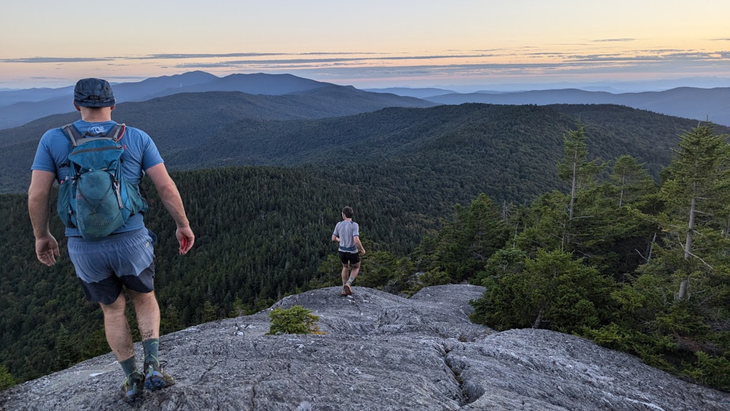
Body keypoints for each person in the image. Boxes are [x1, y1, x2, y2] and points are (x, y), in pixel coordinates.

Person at [27, 78, 195, 403]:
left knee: (112, 310)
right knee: (144, 299)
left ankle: (132, 380)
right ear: (113, 105)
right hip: (131, 240)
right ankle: (155, 366)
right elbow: (166, 188)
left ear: (76, 105)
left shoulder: (54, 140)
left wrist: (42, 235)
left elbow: (37, 194)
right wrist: (182, 225)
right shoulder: (135, 137)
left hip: (84, 246)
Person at [331, 206, 366, 296]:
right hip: (352, 251)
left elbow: (333, 238)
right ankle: (348, 283)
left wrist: (341, 240)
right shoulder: (354, 225)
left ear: (343, 215)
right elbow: (356, 240)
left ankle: (343, 289)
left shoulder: (338, 224)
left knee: (345, 267)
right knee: (356, 267)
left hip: (342, 250)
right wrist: (362, 249)